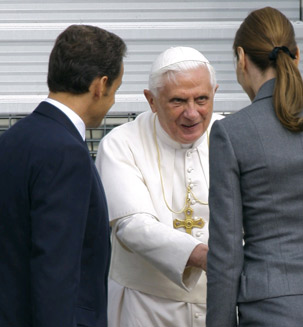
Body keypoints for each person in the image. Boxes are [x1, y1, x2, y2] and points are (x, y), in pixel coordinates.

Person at [206, 7, 303, 327]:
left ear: (241, 58)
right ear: (296, 55)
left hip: (271, 308)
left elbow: (226, 255)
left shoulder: (231, 133)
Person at [0, 24, 126, 327]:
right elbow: (56, 270)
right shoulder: (66, 151)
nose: (113, 101)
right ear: (99, 85)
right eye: (115, 90)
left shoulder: (12, 138)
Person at [95, 46, 222, 327]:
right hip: (145, 307)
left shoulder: (233, 136)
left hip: (220, 305)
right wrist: (202, 255)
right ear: (151, 101)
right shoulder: (121, 143)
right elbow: (132, 224)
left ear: (215, 92)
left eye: (202, 99)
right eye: (178, 101)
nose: (192, 113)